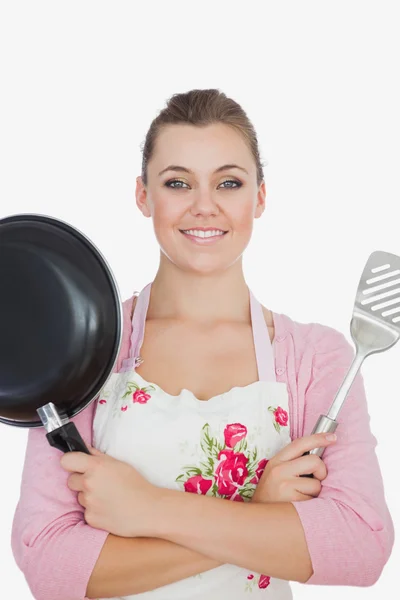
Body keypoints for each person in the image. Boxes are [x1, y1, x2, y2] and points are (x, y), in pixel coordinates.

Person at [11, 88, 394, 600]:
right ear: (144, 195)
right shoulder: (86, 344)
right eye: (177, 183)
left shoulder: (316, 360)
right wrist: (259, 516)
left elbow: (359, 548)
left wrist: (149, 509)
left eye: (229, 182)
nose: (204, 206)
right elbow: (51, 568)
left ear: (259, 196)